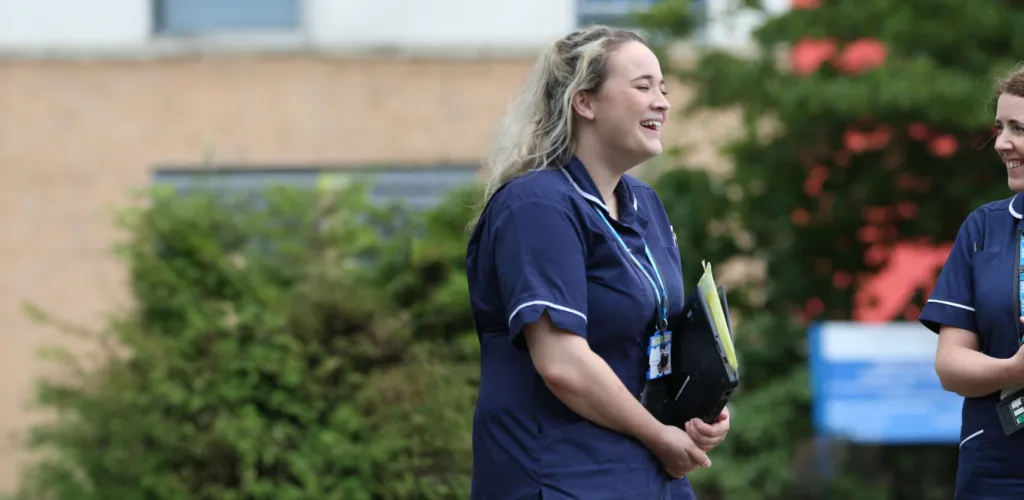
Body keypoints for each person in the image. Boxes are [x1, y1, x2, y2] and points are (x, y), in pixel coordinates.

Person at [465, 25, 731, 500]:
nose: (663, 102)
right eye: (643, 86)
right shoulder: (537, 205)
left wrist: (701, 407)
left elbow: (652, 339)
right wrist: (656, 433)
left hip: (650, 475)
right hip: (562, 477)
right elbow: (562, 362)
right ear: (584, 103)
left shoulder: (644, 205)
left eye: (664, 88)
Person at [922, 65, 1024, 499]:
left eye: (1018, 128)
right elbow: (950, 365)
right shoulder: (984, 229)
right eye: (1000, 127)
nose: (1001, 143)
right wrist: (1014, 371)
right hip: (997, 469)